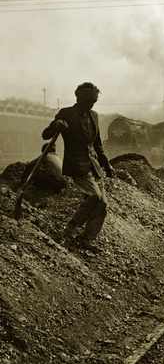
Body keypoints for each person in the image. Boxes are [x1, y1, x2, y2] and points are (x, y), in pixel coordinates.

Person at [42, 82, 114, 252]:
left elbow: (97, 145)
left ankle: (88, 239)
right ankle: (71, 226)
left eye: (94, 102)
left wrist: (106, 164)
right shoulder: (66, 113)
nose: (92, 105)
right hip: (77, 165)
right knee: (94, 195)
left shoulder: (94, 116)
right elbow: (45, 135)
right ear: (80, 99)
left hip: (94, 165)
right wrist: (56, 124)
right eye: (90, 101)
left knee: (103, 204)